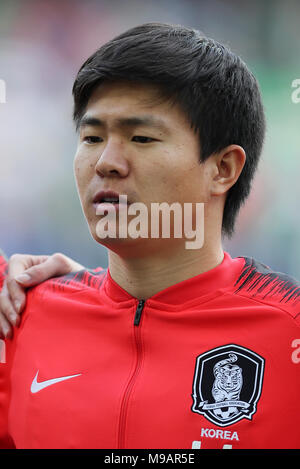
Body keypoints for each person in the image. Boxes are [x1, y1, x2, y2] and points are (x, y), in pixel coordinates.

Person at [0, 22, 299, 450]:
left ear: (223, 169)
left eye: (141, 137)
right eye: (91, 137)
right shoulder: (19, 311)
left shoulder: (289, 332)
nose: (106, 162)